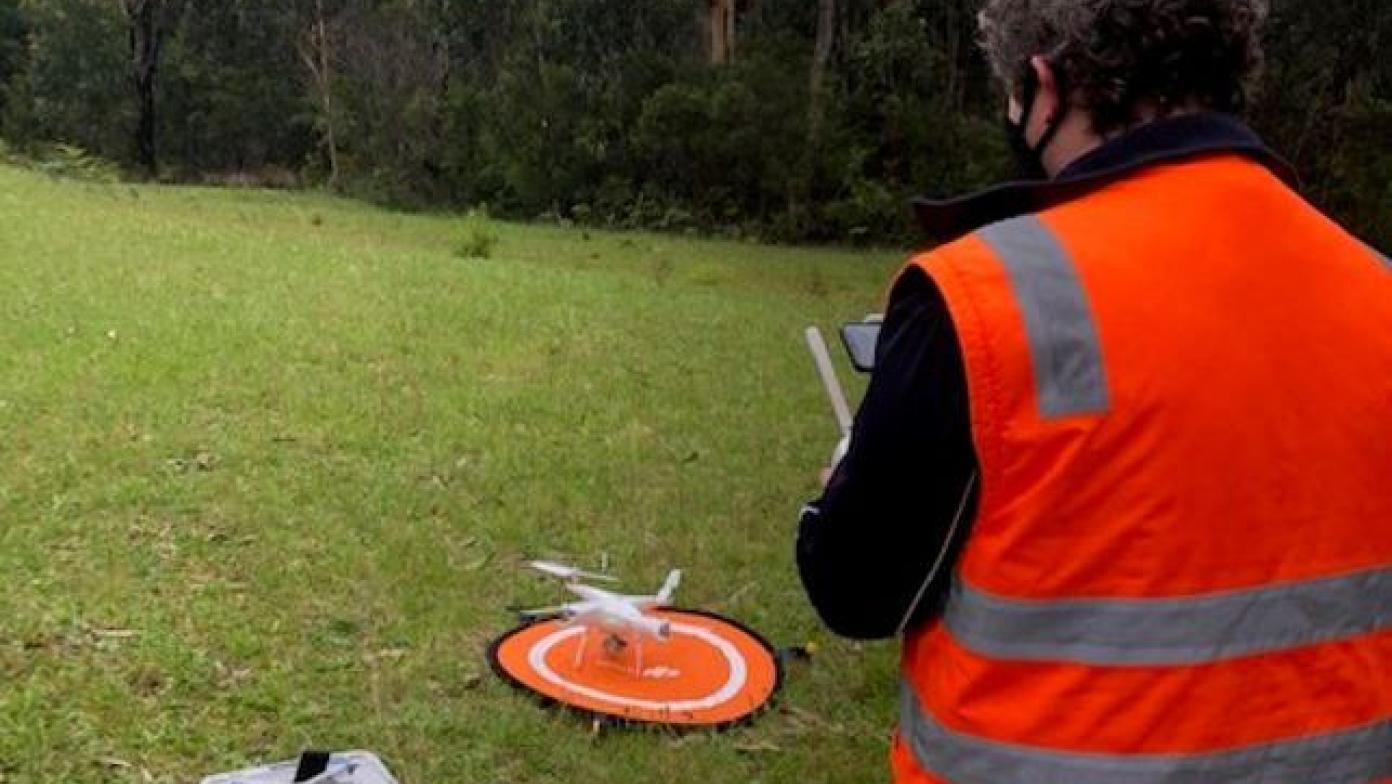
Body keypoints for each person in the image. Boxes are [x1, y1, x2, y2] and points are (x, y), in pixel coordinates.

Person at [795, 0, 1392, 781]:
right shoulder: (1377, 291)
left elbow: (858, 592)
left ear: (1044, 87)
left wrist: (845, 488)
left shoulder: (982, 296)